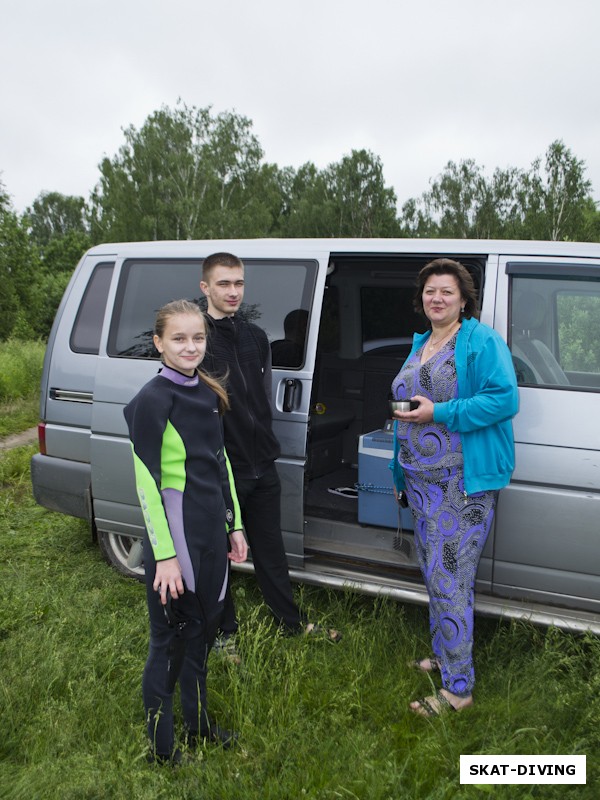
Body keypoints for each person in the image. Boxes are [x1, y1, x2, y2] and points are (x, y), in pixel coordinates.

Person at [389, 258, 518, 717]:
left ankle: (458, 690)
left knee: (451, 581)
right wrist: (399, 469)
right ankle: (445, 658)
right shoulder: (422, 342)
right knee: (436, 576)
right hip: (424, 485)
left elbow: (504, 399)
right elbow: (406, 413)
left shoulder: (479, 339)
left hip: (462, 485)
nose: (436, 298)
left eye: (446, 291)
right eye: (429, 291)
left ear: (464, 299)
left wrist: (438, 414)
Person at [123, 299, 248, 764]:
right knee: (170, 644)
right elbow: (147, 484)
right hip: (175, 546)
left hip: (210, 535)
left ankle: (197, 727)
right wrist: (167, 556)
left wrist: (234, 525)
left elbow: (220, 463)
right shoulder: (151, 401)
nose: (190, 346)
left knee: (203, 634)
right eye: (178, 338)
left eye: (197, 337)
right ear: (158, 343)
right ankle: (161, 749)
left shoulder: (208, 393)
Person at [199, 252, 340, 651]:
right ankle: (224, 636)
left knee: (271, 549)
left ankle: (289, 623)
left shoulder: (256, 336)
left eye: (239, 283)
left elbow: (261, 400)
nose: (233, 291)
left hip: (262, 461)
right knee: (221, 552)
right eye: (223, 284)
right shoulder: (198, 338)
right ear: (205, 287)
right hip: (225, 466)